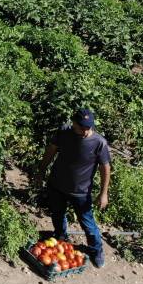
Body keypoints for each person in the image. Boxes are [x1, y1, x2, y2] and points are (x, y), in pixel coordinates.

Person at [38, 108, 111, 268]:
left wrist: (103, 193)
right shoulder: (64, 132)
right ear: (74, 124)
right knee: (57, 214)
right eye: (82, 127)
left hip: (81, 192)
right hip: (57, 185)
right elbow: (50, 151)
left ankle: (96, 250)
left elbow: (105, 168)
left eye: (88, 127)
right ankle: (61, 237)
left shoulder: (99, 142)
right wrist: (41, 171)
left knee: (87, 223)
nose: (86, 130)